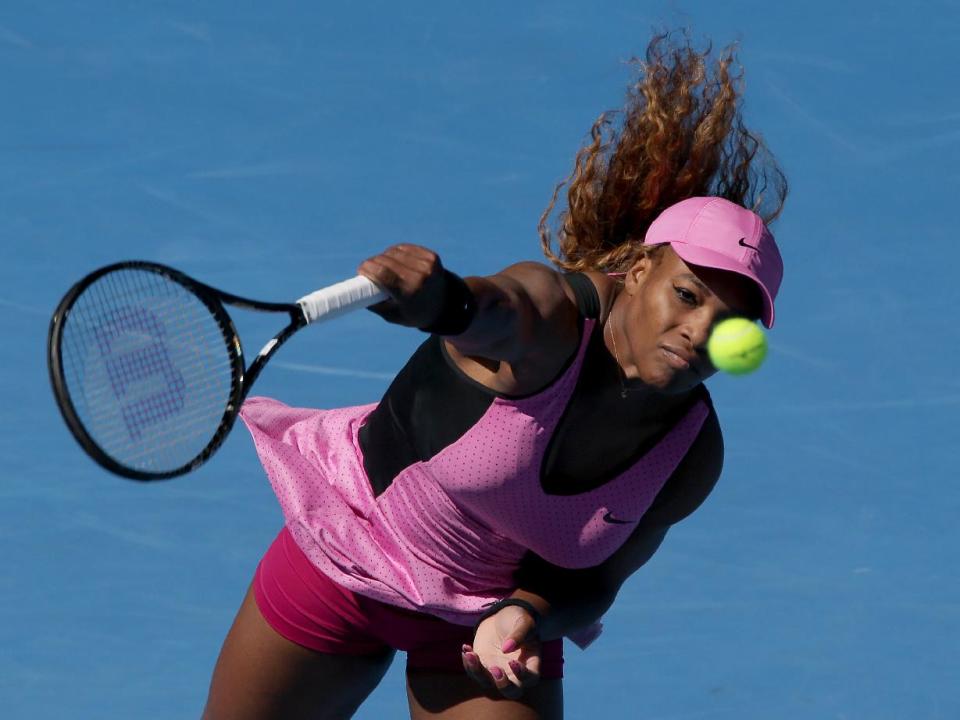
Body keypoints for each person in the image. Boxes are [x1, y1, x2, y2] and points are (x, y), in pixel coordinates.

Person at [202, 32, 787, 720]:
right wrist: (439, 300)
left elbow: (598, 576)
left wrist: (527, 614)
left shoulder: (690, 454)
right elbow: (495, 309)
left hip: (479, 629)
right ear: (636, 270)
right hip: (344, 559)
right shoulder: (549, 321)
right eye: (687, 296)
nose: (699, 333)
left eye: (731, 326)